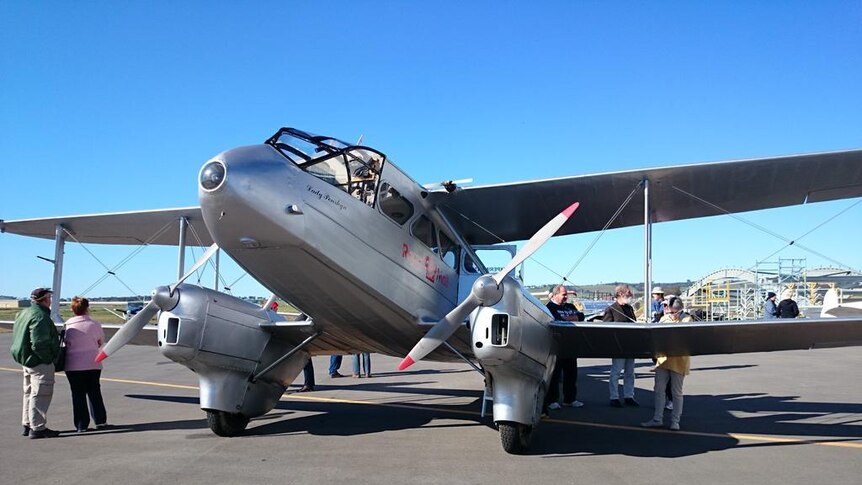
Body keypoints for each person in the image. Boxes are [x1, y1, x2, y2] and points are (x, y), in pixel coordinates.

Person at [10, 288, 61, 438]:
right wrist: (48, 359)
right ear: (46, 299)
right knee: (41, 394)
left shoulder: (23, 313)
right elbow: (39, 344)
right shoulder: (41, 317)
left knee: (29, 393)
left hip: (26, 361)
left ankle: (27, 424)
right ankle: (38, 428)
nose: (51, 300)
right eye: (49, 298)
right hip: (38, 362)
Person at [642, 296, 691, 430]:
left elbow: (685, 339)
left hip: (679, 361)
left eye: (673, 312)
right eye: (669, 311)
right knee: (658, 390)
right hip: (663, 360)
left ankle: (675, 421)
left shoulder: (687, 320)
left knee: (676, 392)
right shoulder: (664, 319)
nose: (670, 314)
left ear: (680, 310)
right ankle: (657, 418)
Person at [64, 297, 108, 432]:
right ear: (87, 308)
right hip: (92, 363)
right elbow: (101, 341)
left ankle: (81, 425)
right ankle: (100, 421)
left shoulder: (68, 325)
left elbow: (65, 343)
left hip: (73, 365)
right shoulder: (95, 324)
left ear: (73, 309)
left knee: (78, 395)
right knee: (94, 392)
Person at [543, 285, 584, 414]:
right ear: (555, 295)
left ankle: (570, 399)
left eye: (566, 295)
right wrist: (570, 319)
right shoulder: (549, 308)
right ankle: (552, 400)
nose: (566, 297)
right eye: (564, 295)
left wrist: (568, 319)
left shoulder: (570, 307)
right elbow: (555, 319)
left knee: (571, 374)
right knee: (554, 375)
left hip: (570, 346)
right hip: (556, 346)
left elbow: (581, 316)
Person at [602, 284, 639, 407]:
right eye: (628, 294)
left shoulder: (629, 308)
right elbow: (605, 329)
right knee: (616, 372)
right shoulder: (611, 309)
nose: (631, 296)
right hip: (618, 346)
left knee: (630, 372)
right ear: (621, 294)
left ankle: (629, 396)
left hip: (630, 346)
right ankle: (614, 397)